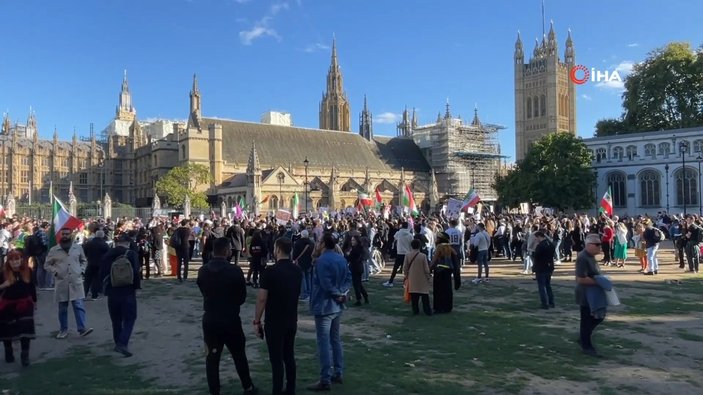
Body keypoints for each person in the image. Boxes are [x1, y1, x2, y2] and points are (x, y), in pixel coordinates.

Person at [197, 237, 258, 395]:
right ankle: (248, 387)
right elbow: (242, 297)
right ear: (226, 251)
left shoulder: (203, 270)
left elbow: (202, 290)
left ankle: (214, 390)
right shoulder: (234, 271)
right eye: (230, 249)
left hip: (211, 318)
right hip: (230, 318)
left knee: (212, 357)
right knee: (239, 354)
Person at [254, 237, 302, 395]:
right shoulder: (297, 271)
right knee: (289, 355)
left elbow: (262, 298)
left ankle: (277, 389)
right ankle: (291, 388)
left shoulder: (270, 272)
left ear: (278, 250)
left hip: (274, 320)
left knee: (276, 359)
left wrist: (257, 320)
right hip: (291, 318)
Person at [307, 233, 352, 391]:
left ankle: (325, 378)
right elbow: (348, 278)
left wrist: (337, 293)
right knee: (335, 339)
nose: (317, 244)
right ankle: (338, 372)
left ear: (324, 244)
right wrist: (342, 292)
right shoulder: (341, 258)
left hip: (324, 305)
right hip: (336, 305)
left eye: (319, 242)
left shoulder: (321, 261)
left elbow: (325, 283)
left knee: (324, 341)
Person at [44, 228, 93, 339]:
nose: (65, 236)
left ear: (71, 235)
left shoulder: (78, 247)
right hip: (61, 282)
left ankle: (82, 329)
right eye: (63, 234)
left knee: (79, 305)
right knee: (62, 308)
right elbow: (46, 265)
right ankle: (63, 330)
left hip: (76, 281)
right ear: (60, 235)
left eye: (67, 234)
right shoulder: (54, 250)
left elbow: (84, 260)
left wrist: (81, 270)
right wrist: (55, 272)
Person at [100, 233, 141, 357]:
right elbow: (136, 273)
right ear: (128, 244)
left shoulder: (107, 255)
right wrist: (137, 287)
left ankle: (118, 342)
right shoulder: (131, 254)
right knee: (130, 318)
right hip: (128, 291)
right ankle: (122, 343)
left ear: (116, 243)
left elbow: (102, 274)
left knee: (116, 319)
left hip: (112, 291)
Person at [0, 250, 36, 366]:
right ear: (8, 261)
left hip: (25, 304)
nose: (15, 262)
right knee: (7, 330)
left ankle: (24, 355)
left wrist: (34, 301)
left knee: (25, 328)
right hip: (7, 306)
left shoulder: (28, 271)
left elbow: (32, 288)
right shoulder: (2, 273)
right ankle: (8, 351)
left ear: (21, 260)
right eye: (12, 260)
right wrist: (3, 285)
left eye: (17, 259)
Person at [575, 234, 605, 357]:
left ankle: (583, 339)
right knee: (588, 320)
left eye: (600, 244)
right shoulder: (583, 257)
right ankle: (586, 346)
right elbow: (580, 279)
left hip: (593, 293)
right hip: (586, 294)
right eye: (597, 244)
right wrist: (600, 282)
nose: (600, 247)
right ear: (588, 245)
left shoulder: (591, 257)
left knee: (598, 317)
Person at [430, 232, 461, 314]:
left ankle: (438, 307)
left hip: (439, 271)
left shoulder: (439, 247)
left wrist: (430, 268)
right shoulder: (450, 248)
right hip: (448, 271)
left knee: (438, 290)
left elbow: (434, 259)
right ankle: (447, 307)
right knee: (447, 289)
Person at [403, 239, 431, 316]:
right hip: (422, 278)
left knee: (414, 296)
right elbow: (426, 268)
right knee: (425, 296)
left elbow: (405, 267)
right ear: (420, 246)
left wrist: (406, 275)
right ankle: (427, 311)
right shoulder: (423, 256)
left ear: (411, 246)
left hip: (412, 277)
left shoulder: (407, 255)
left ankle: (415, 310)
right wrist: (428, 276)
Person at [383, 221, 413, 288]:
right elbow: (412, 244)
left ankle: (391, 281)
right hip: (407, 253)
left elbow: (395, 238)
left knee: (395, 268)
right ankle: (405, 283)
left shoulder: (398, 233)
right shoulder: (410, 235)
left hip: (400, 252)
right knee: (407, 269)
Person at [82, 230, 110, 300]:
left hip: (90, 262)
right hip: (99, 264)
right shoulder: (104, 244)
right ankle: (94, 295)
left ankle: (84, 294)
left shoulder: (89, 243)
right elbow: (108, 255)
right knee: (96, 280)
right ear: (102, 236)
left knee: (87, 279)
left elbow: (84, 252)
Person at [532, 231, 555, 309]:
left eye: (536, 238)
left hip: (541, 267)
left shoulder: (540, 246)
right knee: (548, 285)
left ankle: (545, 303)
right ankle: (551, 302)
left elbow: (536, 256)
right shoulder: (550, 244)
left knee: (542, 286)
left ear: (539, 237)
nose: (536, 240)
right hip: (549, 266)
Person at [346, 235, 369, 306]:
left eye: (353, 240)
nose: (352, 242)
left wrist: (348, 255)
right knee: (359, 284)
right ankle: (365, 296)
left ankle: (359, 299)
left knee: (356, 284)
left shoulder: (356, 249)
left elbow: (351, 258)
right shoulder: (358, 248)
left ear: (357, 241)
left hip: (356, 268)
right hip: (358, 267)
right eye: (352, 240)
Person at [293, 230, 315, 301]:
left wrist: (295, 259)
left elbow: (295, 253)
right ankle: (309, 292)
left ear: (301, 235)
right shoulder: (311, 243)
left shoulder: (298, 243)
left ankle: (304, 294)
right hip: (309, 262)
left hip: (300, 262)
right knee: (308, 277)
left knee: (302, 278)